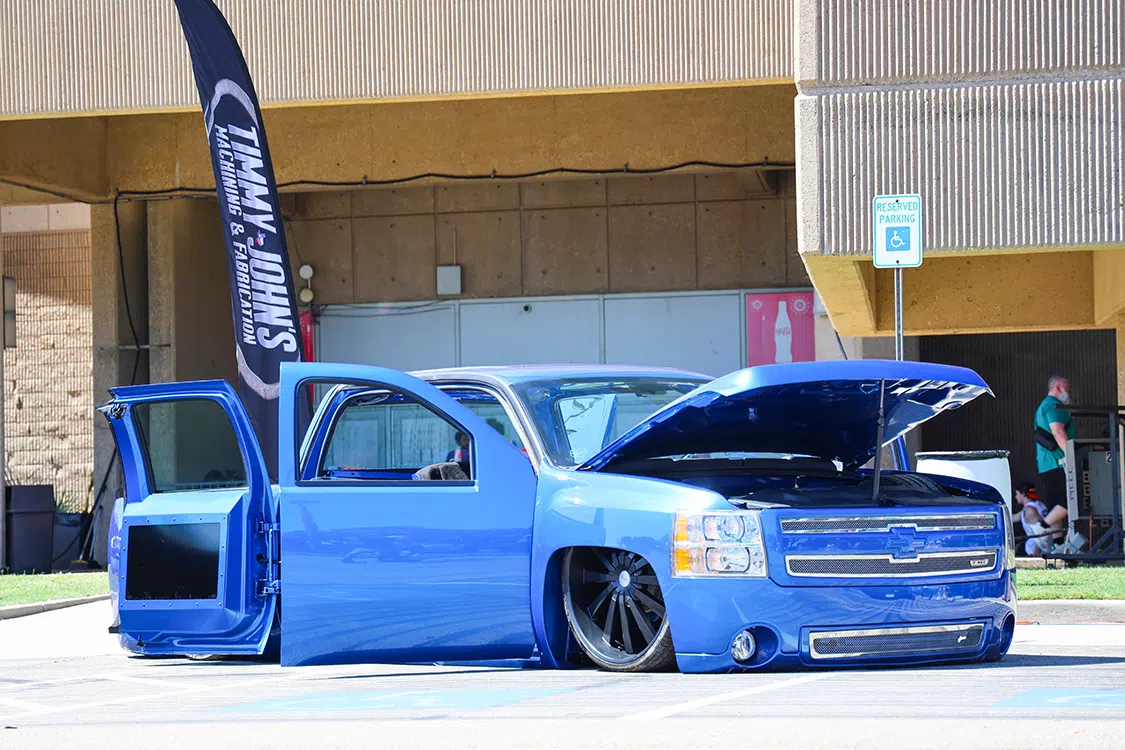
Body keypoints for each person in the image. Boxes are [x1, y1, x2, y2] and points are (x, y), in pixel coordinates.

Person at [1034, 376, 1076, 548]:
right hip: (1058, 462)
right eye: (1068, 387)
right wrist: (1071, 456)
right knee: (1072, 500)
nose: (1070, 390)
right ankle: (1042, 526)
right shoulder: (1054, 406)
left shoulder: (1044, 406)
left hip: (1046, 464)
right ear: (1058, 387)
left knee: (1056, 506)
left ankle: (1058, 544)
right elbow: (1058, 431)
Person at [1012, 481, 1052, 556]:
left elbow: (1041, 532)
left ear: (1023, 494)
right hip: (1039, 548)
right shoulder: (1037, 505)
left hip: (1034, 551)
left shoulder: (1029, 510)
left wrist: (1036, 552)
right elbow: (1014, 517)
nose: (1015, 497)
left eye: (1017, 494)